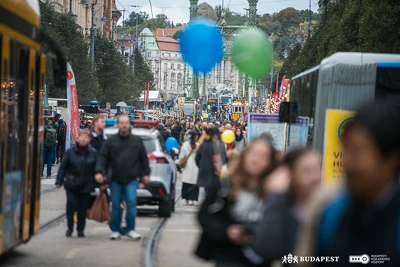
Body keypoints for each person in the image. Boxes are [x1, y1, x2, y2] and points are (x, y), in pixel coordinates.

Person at [298, 102, 400, 267]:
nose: (346, 162)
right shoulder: (331, 212)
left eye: (358, 151)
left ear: (391, 159)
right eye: (346, 149)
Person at [196, 138, 278, 267]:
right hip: (228, 256)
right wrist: (227, 231)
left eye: (263, 156)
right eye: (253, 154)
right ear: (244, 156)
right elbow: (205, 215)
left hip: (260, 257)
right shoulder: (225, 186)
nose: (256, 160)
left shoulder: (275, 191)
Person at [246, 148, 321, 266]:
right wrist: (277, 197)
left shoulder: (327, 206)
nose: (314, 177)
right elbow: (266, 248)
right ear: (290, 175)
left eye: (317, 169)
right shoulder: (281, 208)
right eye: (306, 171)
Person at [95, 115, 150, 241]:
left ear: (129, 124)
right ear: (118, 124)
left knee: (131, 203)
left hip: (131, 179)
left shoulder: (136, 141)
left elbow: (143, 159)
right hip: (115, 179)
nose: (124, 125)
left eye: (126, 123)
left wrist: (145, 175)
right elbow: (103, 158)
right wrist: (99, 172)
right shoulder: (111, 141)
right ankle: (116, 230)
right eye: (122, 123)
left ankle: (131, 229)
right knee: (115, 205)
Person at [55, 131, 98, 238]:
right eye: (81, 137)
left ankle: (80, 229)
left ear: (89, 140)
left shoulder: (93, 152)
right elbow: (63, 167)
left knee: (83, 208)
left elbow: (97, 168)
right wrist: (59, 181)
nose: (83, 139)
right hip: (71, 183)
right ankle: (70, 228)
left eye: (86, 137)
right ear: (78, 138)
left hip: (86, 185)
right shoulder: (70, 152)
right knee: (71, 204)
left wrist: (99, 181)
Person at [195, 127, 227, 192]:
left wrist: (202, 166)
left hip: (206, 173)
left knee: (208, 193)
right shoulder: (220, 145)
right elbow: (224, 159)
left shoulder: (203, 145)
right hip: (217, 174)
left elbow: (197, 159)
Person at [179, 131, 200, 205]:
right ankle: (193, 198)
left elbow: (181, 157)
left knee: (186, 182)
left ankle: (186, 198)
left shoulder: (185, 146)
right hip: (196, 166)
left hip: (187, 165)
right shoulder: (198, 146)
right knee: (194, 183)